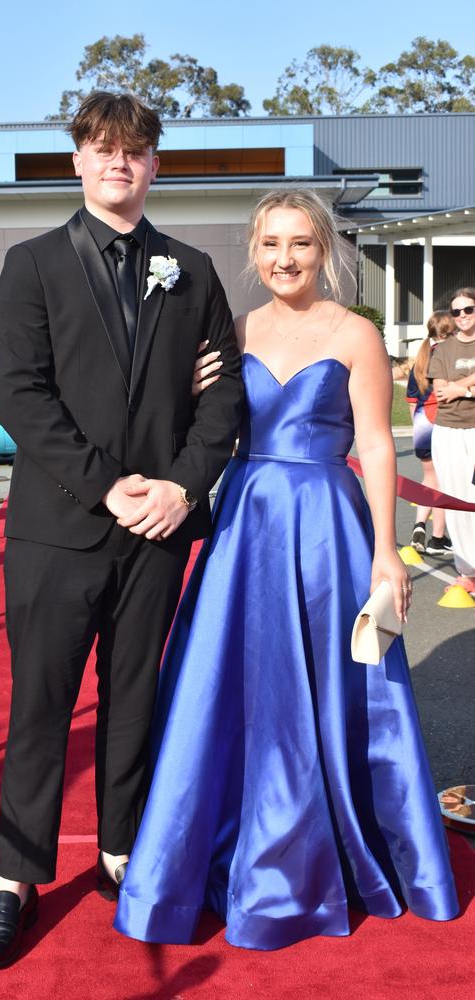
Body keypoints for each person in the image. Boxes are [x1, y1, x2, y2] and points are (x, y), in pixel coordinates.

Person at [114, 189, 459, 951]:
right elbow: (204, 430)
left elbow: (375, 446)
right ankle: (226, 844)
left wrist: (384, 552)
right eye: (271, 244)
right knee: (237, 687)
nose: (285, 258)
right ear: (253, 250)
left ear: (325, 248)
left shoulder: (357, 333)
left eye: (301, 243)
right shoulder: (234, 332)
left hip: (329, 528)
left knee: (335, 690)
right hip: (248, 523)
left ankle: (322, 850)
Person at [0, 92, 244, 970]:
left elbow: (223, 400)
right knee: (40, 707)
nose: (118, 163)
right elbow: (20, 392)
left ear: (155, 165)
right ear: (78, 161)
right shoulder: (32, 264)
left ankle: (120, 851)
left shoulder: (193, 270)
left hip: (159, 530)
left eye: (135, 151)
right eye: (102, 148)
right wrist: (108, 485)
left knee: (137, 701)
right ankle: (16, 879)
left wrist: (179, 488)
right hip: (61, 528)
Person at [427, 287, 475, 593]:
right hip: (449, 433)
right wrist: (468, 385)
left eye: (468, 310)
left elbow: (454, 389)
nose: (462, 317)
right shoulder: (443, 350)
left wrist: (464, 390)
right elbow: (442, 393)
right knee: (457, 501)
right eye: (456, 312)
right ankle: (467, 570)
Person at [406, 311, 454, 555]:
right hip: (444, 420)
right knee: (445, 483)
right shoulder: (449, 356)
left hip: (422, 421)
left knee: (429, 479)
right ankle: (438, 538)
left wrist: (418, 422)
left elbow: (412, 399)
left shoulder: (421, 358)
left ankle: (419, 524)